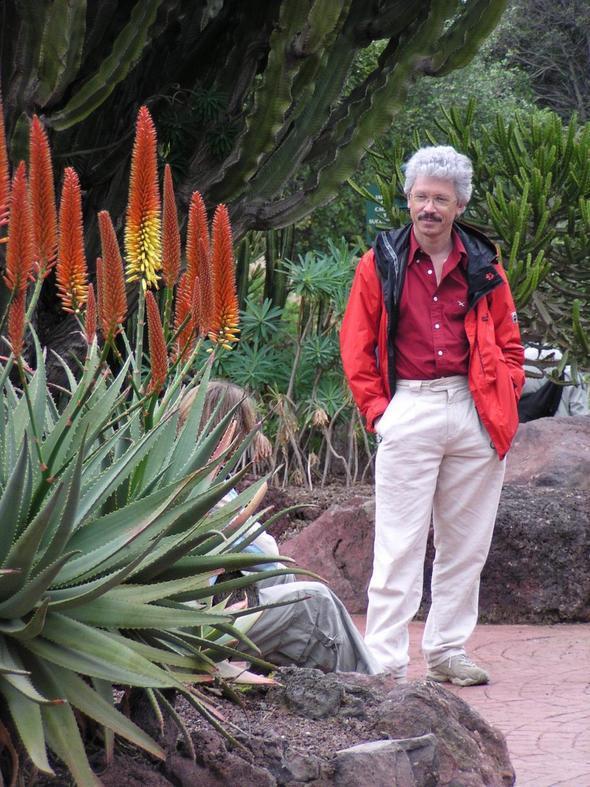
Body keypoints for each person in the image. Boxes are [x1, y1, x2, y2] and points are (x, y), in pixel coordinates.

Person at [340, 145, 525, 686]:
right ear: (408, 199)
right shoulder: (381, 261)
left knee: (466, 545)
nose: (429, 208)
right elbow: (356, 345)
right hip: (409, 406)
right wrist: (380, 414)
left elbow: (510, 344)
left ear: (459, 205)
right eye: (421, 196)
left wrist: (504, 396)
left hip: (474, 408)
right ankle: (385, 660)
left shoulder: (483, 262)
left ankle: (447, 651)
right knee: (398, 544)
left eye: (441, 199)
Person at [178, 380, 380, 675]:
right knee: (316, 602)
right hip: (198, 620)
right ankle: (369, 682)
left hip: (207, 601)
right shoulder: (202, 487)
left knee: (284, 580)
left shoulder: (193, 474)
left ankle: (287, 680)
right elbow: (264, 553)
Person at [518, 346, 589, 421]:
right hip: (560, 424)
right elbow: (579, 412)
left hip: (522, 423)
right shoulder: (567, 366)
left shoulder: (520, 358)